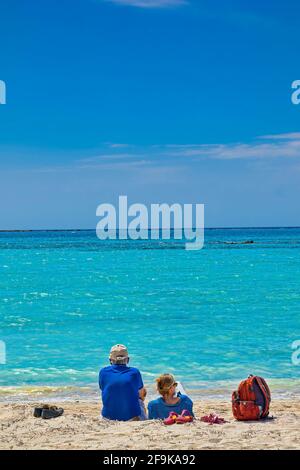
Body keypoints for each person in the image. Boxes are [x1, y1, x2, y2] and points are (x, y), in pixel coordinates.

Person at [99, 344, 147, 421]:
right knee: (140, 398)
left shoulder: (103, 372)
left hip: (107, 417)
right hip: (131, 417)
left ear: (110, 360)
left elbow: (103, 388)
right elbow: (141, 393)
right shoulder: (135, 372)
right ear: (128, 359)